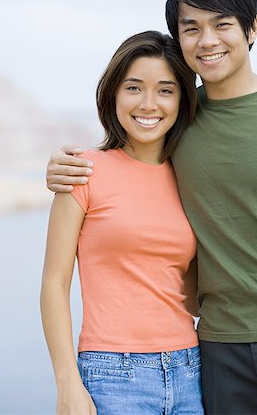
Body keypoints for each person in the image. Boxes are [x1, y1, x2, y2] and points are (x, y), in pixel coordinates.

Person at [46, 0, 257, 414]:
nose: (208, 40)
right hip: (202, 355)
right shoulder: (160, 129)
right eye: (191, 27)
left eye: (222, 24)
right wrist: (59, 171)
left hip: (232, 351)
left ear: (252, 27)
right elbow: (126, 161)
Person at [41, 30, 205, 415]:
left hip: (191, 369)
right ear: (113, 93)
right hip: (113, 375)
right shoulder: (82, 171)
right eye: (134, 88)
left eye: (165, 90)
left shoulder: (191, 175)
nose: (149, 104)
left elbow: (192, 289)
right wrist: (67, 384)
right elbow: (54, 282)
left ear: (182, 99)